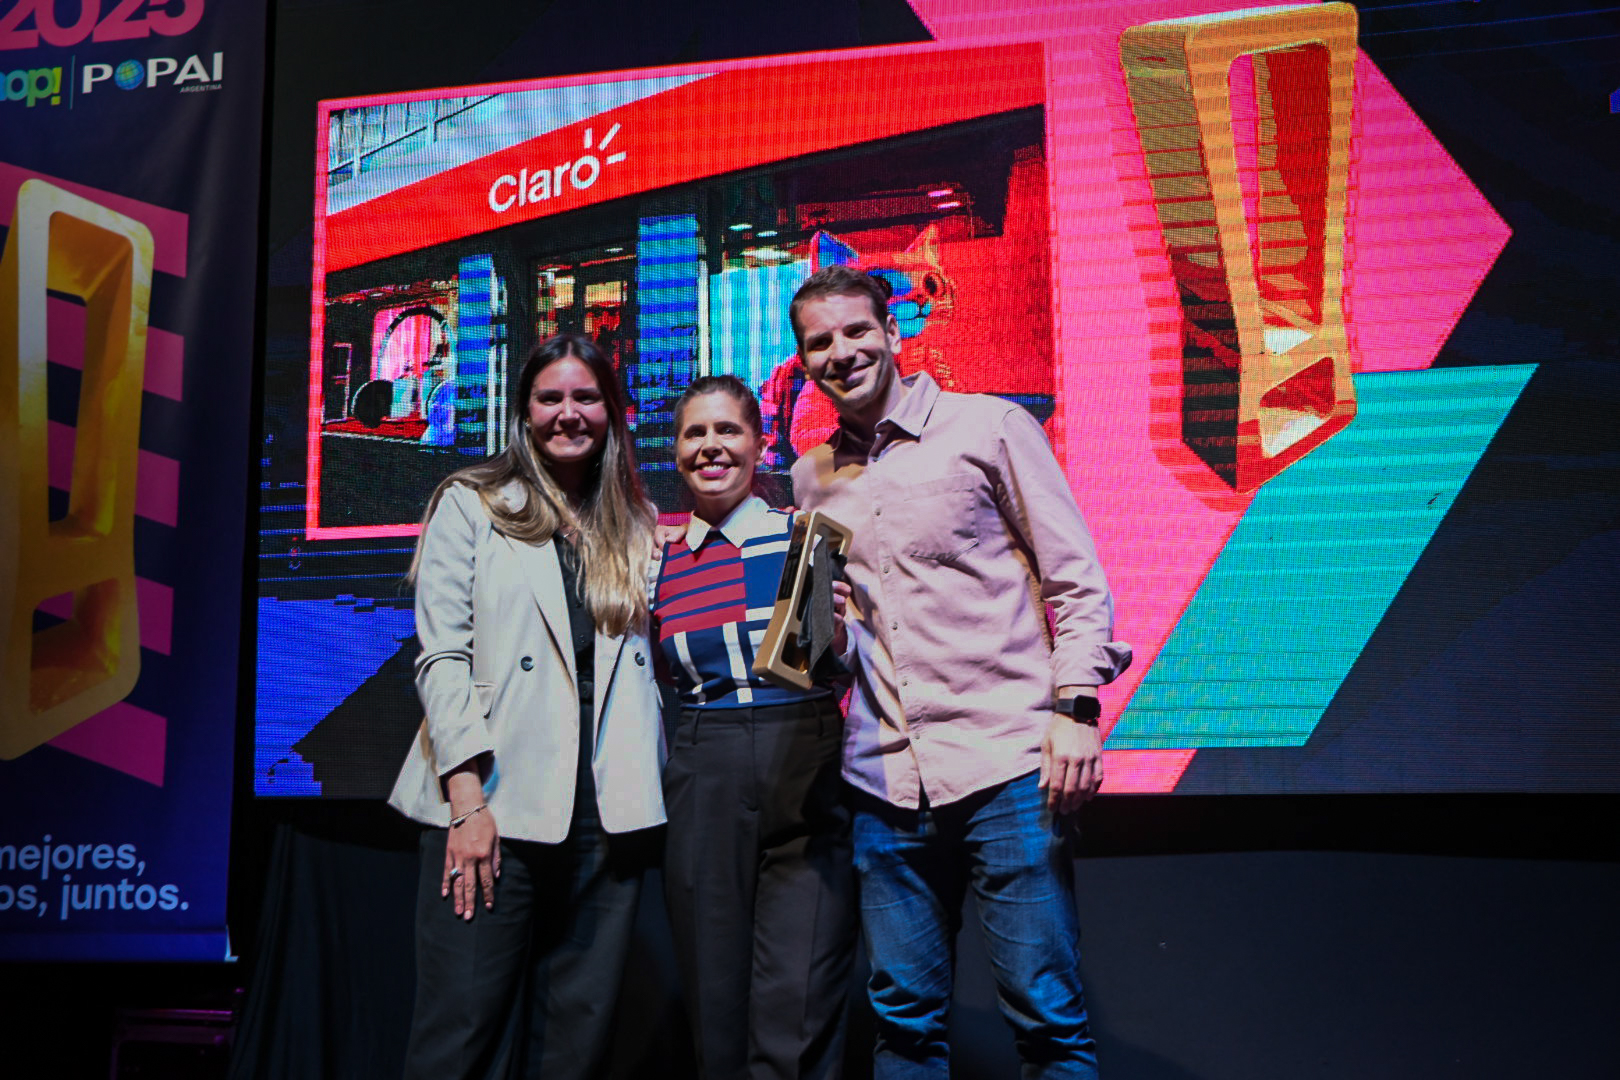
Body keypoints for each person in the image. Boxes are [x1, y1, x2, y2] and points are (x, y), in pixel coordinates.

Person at [787, 265, 1132, 1078]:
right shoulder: (809, 478)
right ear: (805, 363)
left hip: (1006, 766)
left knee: (1049, 1021)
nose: (841, 352)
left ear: (892, 332)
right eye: (819, 343)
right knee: (903, 1028)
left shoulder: (991, 427)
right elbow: (820, 653)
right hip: (882, 784)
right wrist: (817, 638)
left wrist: (1076, 707)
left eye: (855, 331)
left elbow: (1075, 578)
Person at [389, 332, 664, 1080]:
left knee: (575, 1047)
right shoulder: (473, 503)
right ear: (524, 411)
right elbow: (441, 656)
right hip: (494, 802)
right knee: (461, 1036)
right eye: (550, 398)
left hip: (605, 817)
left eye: (586, 397)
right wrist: (467, 802)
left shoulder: (634, 525)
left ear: (611, 410)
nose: (568, 413)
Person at [653, 374, 856, 1080]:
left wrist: (837, 628)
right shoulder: (660, 563)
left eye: (727, 430)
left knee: (797, 1003)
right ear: (675, 451)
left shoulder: (805, 538)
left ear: (759, 443)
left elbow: (833, 662)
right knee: (714, 998)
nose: (711, 446)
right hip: (704, 765)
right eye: (694, 433)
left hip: (801, 754)